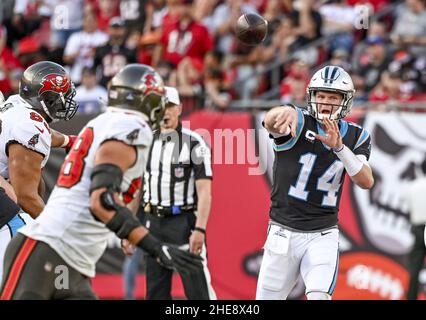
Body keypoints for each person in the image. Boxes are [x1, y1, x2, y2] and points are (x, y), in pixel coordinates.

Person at [0, 64, 202, 300]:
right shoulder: (131, 129)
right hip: (48, 245)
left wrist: (67, 141)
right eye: (158, 99)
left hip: (67, 253)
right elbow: (102, 200)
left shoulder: (101, 123)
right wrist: (154, 247)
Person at [256, 65, 374, 300]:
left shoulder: (356, 135)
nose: (326, 102)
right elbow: (270, 122)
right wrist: (283, 110)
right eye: (321, 95)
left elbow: (366, 181)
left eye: (333, 97)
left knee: (320, 296)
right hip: (283, 232)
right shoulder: (298, 121)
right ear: (312, 96)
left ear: (345, 101)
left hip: (322, 233)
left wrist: (340, 148)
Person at [0, 61, 79, 282]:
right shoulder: (28, 127)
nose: (67, 101)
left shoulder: (17, 106)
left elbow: (42, 129)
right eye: (61, 96)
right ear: (47, 99)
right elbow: (25, 197)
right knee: (24, 280)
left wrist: (69, 141)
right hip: (4, 210)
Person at [140, 86, 216, 300]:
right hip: (153, 222)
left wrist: (199, 229)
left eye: (170, 106)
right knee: (155, 293)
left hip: (183, 222)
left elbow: (204, 191)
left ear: (180, 109)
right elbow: (138, 187)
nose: (166, 111)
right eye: (161, 106)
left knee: (198, 292)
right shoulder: (145, 141)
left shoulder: (194, 143)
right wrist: (130, 227)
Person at [405, 159, 426, 300]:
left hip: (417, 229)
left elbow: (410, 211)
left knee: (415, 269)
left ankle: (411, 297)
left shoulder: (413, 186)